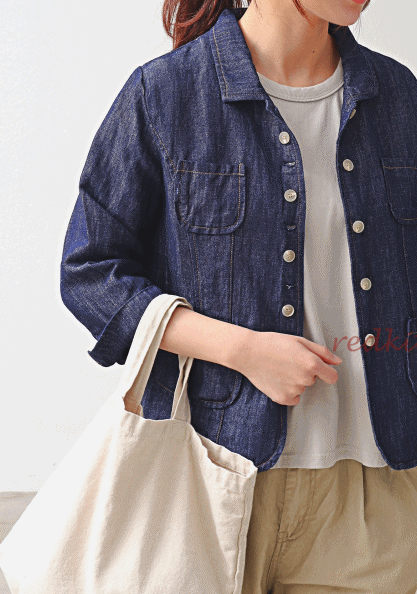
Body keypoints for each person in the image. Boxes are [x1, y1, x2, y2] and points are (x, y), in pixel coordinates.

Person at [60, 0, 417, 591]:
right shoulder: (165, 95)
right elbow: (90, 271)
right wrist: (242, 350)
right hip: (212, 474)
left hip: (372, 493)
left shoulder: (399, 96)